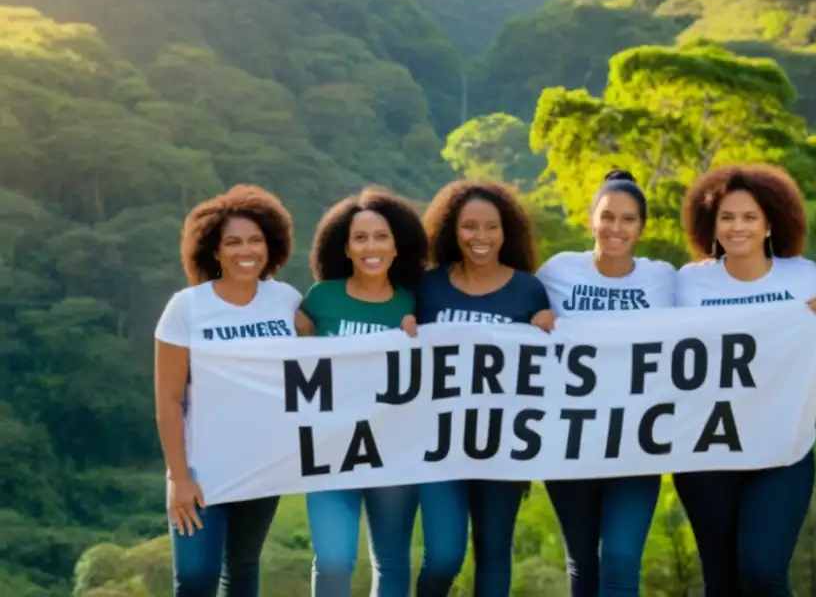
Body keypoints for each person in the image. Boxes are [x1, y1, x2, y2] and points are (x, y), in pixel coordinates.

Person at [671, 163, 816, 597]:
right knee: (721, 581)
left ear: (769, 225)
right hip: (706, 453)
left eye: (749, 217)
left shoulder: (803, 276)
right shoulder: (689, 283)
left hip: (781, 452)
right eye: (726, 217)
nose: (737, 226)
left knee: (763, 573)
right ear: (712, 225)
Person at [154, 184, 305, 597]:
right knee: (196, 578)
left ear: (270, 246)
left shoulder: (286, 301)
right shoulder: (186, 308)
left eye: (256, 240)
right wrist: (179, 476)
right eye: (233, 242)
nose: (246, 250)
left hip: (262, 465)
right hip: (200, 469)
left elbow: (328, 353)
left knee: (241, 571)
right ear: (213, 250)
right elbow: (169, 400)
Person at [534, 169, 676, 597]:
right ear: (590, 220)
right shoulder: (556, 273)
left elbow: (719, 320)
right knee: (583, 564)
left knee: (619, 560)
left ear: (641, 227)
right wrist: (534, 318)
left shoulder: (665, 279)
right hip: (570, 441)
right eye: (608, 216)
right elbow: (518, 325)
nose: (617, 228)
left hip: (638, 441)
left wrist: (799, 313)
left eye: (628, 219)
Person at [414, 180, 554, 597]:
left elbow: (548, 371)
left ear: (505, 231)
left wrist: (546, 333)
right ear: (450, 230)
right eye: (469, 226)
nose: (481, 237)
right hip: (437, 447)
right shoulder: (427, 288)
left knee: (494, 554)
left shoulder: (529, 290)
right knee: (443, 558)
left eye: (490, 227)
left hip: (505, 445)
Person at [298, 188, 427, 597]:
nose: (371, 246)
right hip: (330, 451)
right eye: (360, 238)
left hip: (395, 452)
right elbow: (288, 358)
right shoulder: (321, 299)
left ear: (396, 246)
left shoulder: (413, 304)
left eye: (381, 236)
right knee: (334, 561)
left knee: (392, 563)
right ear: (347, 248)